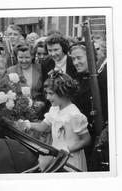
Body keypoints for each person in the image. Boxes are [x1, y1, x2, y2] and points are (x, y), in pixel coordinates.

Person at [23, 70, 91, 172]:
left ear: (63, 93)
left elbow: (86, 140)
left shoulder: (74, 114)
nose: (47, 97)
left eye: (51, 93)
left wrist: (68, 150)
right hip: (56, 157)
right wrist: (28, 124)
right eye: (47, 93)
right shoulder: (54, 109)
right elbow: (43, 126)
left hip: (70, 158)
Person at [69, 42, 108, 170]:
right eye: (73, 59)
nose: (75, 62)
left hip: (97, 135)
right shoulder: (77, 77)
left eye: (79, 58)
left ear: (90, 57)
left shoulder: (101, 78)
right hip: (83, 134)